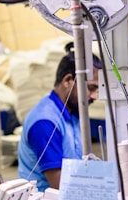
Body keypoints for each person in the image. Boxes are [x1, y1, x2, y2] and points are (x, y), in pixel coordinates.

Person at [17, 43, 103, 191]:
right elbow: (58, 184)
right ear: (68, 81)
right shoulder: (45, 122)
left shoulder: (72, 114)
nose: (94, 96)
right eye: (91, 88)